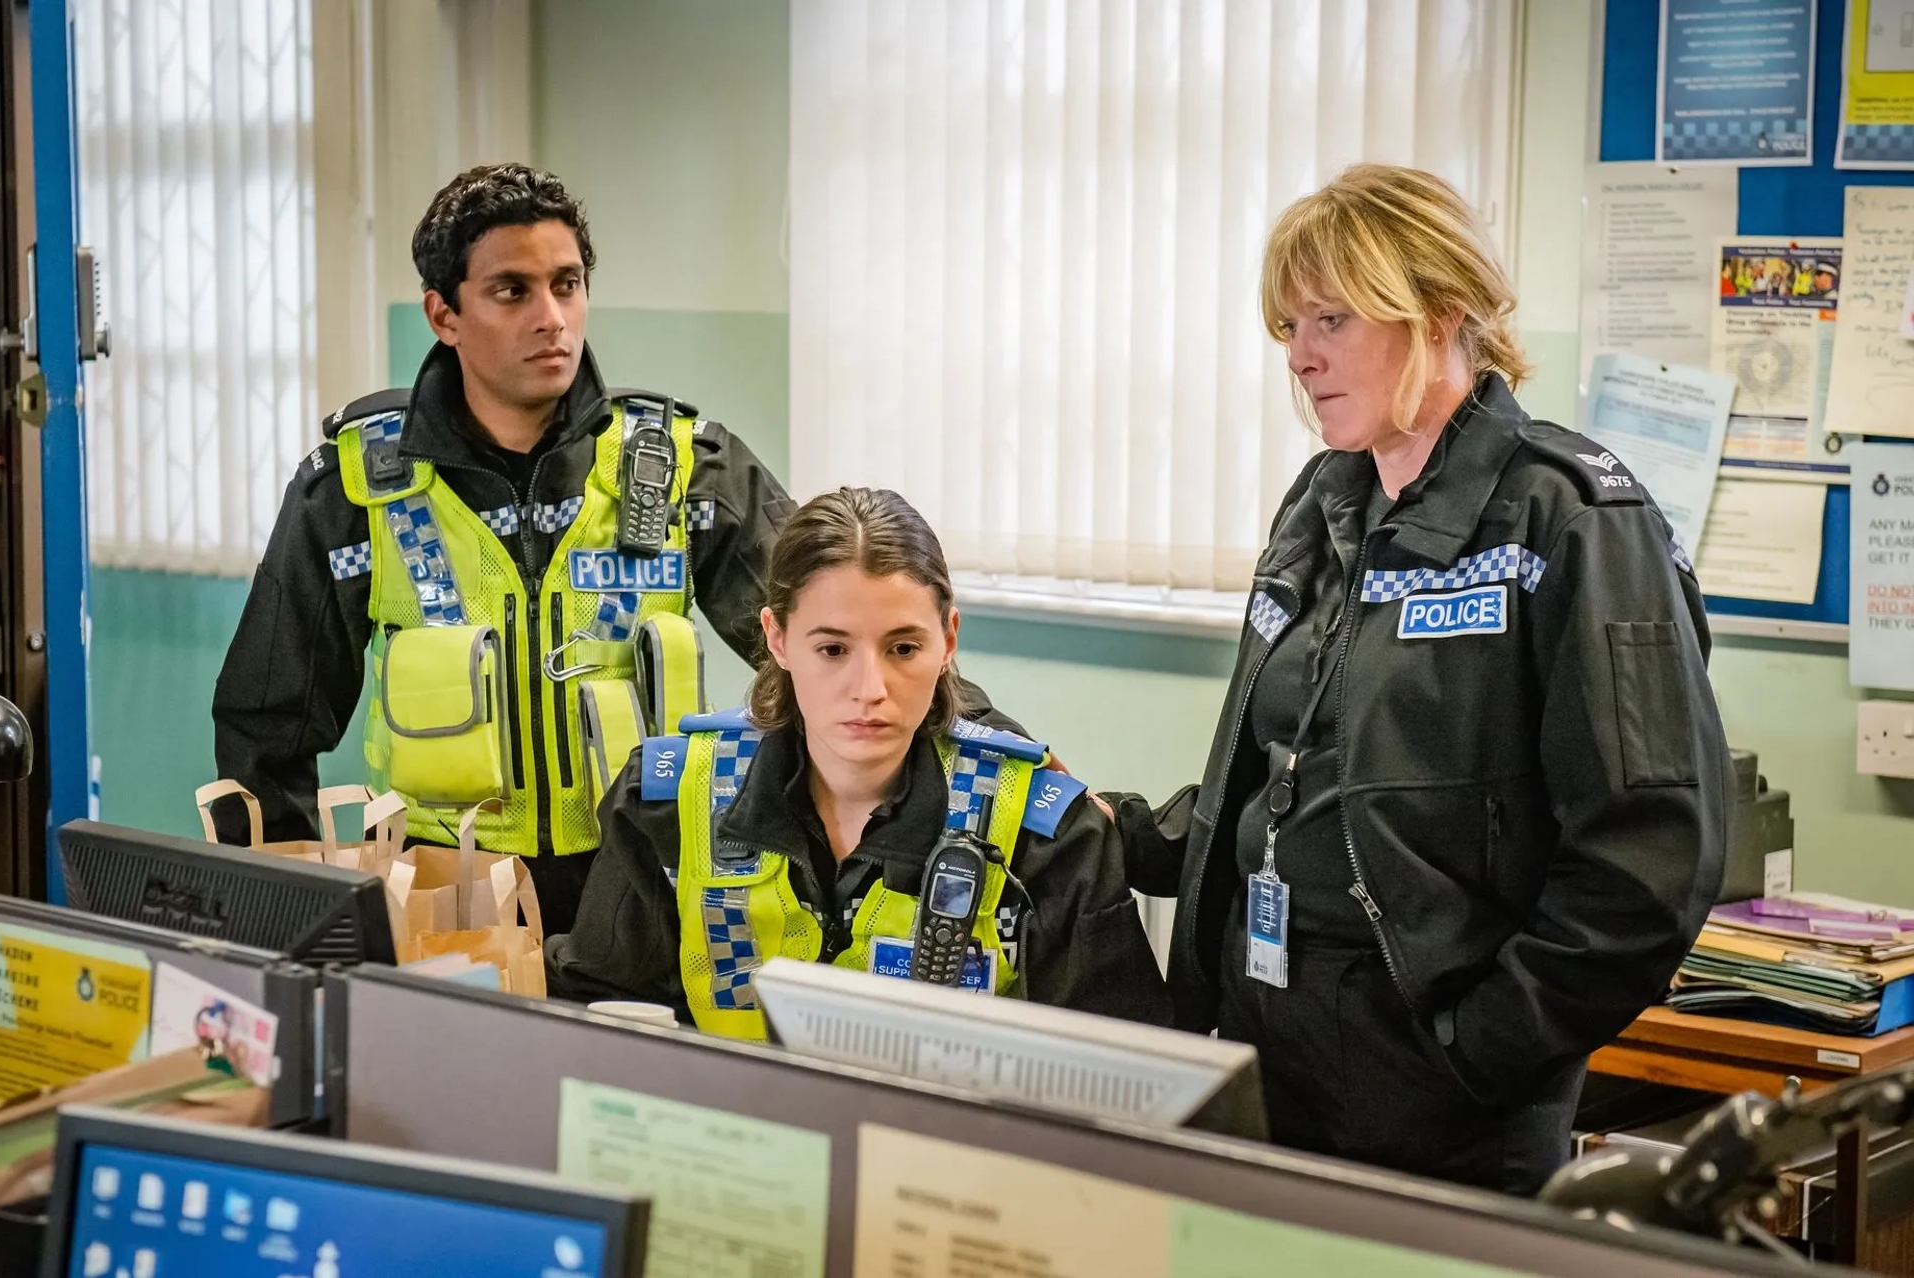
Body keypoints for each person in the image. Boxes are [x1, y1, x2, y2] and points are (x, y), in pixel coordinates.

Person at [1106, 164, 1731, 1195]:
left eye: (1332, 320)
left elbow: (1649, 860)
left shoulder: (1569, 518)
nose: (1300, 358)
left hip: (1445, 1089)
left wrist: (1477, 1049)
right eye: (1289, 329)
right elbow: (1293, 774)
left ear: (1440, 312)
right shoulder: (1323, 500)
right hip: (1269, 1038)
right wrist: (1126, 832)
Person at [212, 164, 1008, 938]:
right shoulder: (355, 490)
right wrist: (280, 920)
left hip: (647, 883)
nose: (551, 317)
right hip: (447, 886)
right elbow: (267, 726)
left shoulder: (684, 469)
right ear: (443, 314)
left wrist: (1020, 767)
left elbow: (855, 631)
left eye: (567, 284)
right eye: (511, 291)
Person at [546, 487, 1170, 1035]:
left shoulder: (1049, 840)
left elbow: (1122, 1095)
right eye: (833, 648)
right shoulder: (664, 805)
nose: (869, 687)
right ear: (778, 639)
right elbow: (599, 1028)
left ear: (948, 640)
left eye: (903, 647)